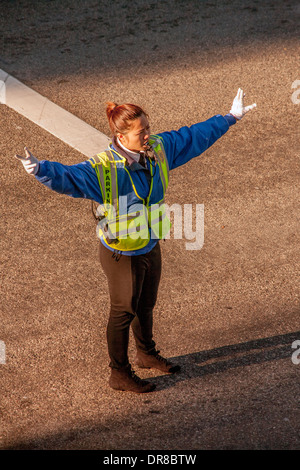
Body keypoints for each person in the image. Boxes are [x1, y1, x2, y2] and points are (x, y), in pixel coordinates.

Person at [15, 88, 256, 393]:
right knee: (123, 311)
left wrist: (229, 117)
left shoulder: (157, 149)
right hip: (121, 253)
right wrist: (41, 170)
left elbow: (192, 137)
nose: (148, 135)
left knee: (146, 304)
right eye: (142, 131)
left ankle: (146, 354)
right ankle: (119, 373)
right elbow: (69, 177)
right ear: (122, 135)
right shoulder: (103, 168)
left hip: (150, 243)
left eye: (148, 128)